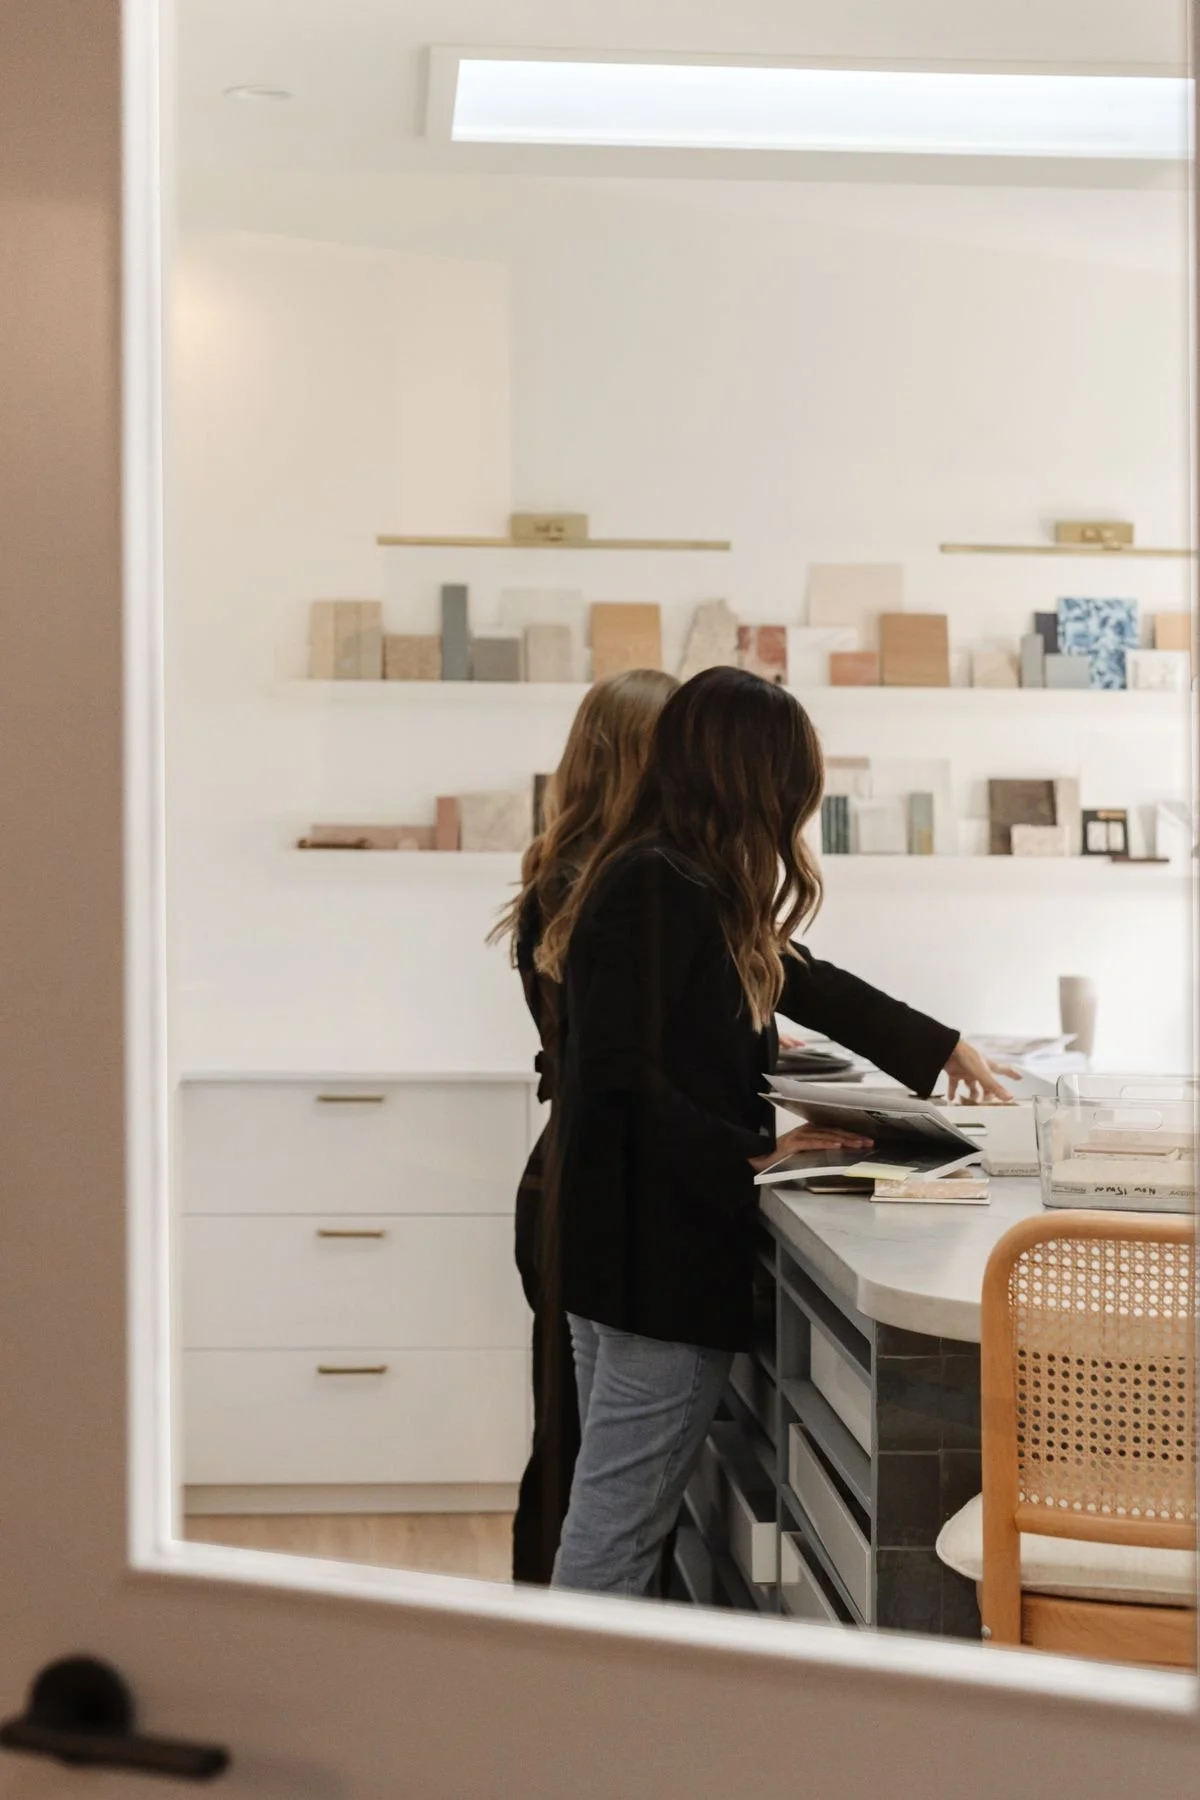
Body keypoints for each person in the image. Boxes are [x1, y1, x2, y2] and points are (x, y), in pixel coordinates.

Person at [538, 667, 1016, 1597]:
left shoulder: (664, 872)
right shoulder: (660, 884)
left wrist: (943, 1044)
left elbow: (806, 977)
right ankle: (555, 1731)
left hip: (618, 1252)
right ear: (754, 777)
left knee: (606, 1523)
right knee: (613, 1538)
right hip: (655, 1265)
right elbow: (614, 1080)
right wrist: (751, 1150)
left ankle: (563, 1723)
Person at [490, 668, 679, 1584]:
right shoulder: (609, 886)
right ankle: (551, 1658)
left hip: (562, 1175)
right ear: (643, 756)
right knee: (576, 1449)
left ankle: (549, 1648)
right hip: (579, 1184)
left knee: (572, 1438)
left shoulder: (577, 875)